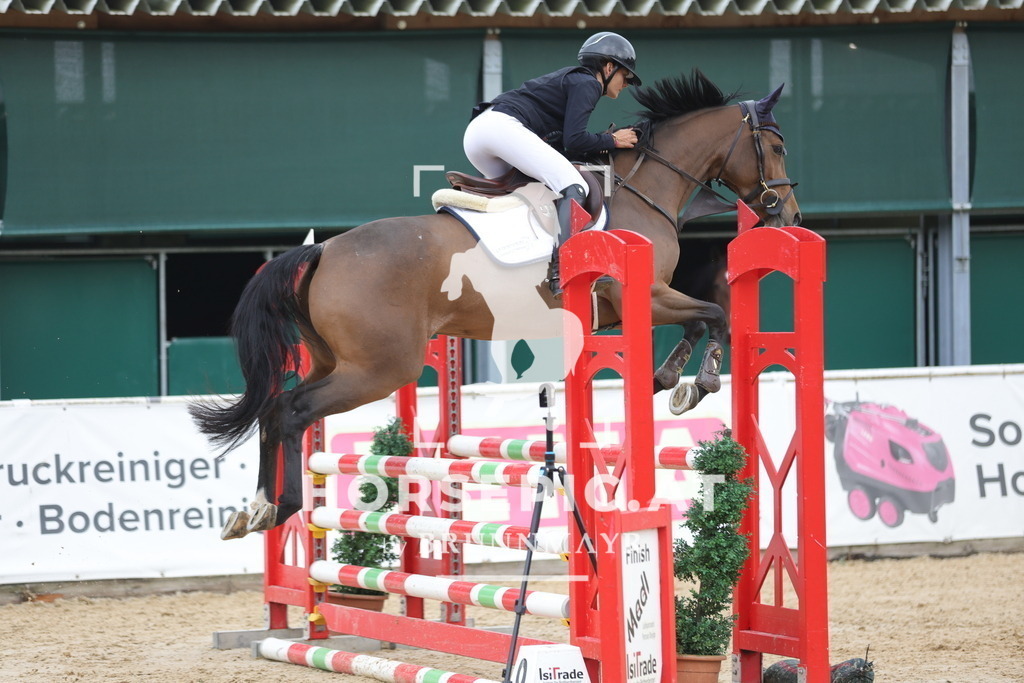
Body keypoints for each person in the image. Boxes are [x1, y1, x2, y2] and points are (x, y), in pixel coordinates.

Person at [463, 32, 642, 296]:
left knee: (532, 196)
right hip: (501, 128)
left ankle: (520, 261)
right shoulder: (588, 83)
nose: (626, 83)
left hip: (479, 136)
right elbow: (576, 140)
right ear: (608, 67)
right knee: (574, 184)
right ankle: (565, 269)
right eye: (625, 75)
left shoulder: (574, 81)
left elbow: (564, 145)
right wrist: (612, 141)